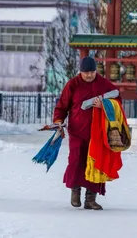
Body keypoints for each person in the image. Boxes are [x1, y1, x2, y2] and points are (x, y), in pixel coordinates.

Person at [53, 56, 121, 210]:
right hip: (77, 131)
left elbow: (118, 99)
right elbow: (62, 105)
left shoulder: (104, 84)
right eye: (86, 72)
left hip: (98, 133)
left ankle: (91, 199)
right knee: (76, 160)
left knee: (96, 162)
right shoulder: (73, 84)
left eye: (92, 72)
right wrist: (58, 120)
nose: (89, 75)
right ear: (80, 72)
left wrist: (104, 104)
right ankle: (75, 192)